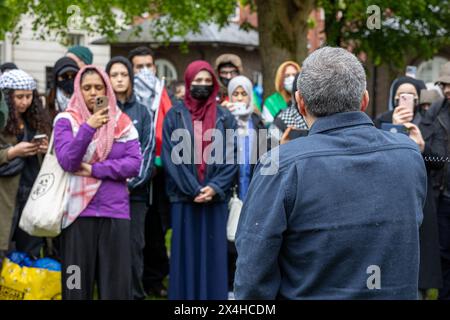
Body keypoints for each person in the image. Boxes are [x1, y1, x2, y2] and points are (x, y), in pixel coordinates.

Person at [234, 47, 427, 300]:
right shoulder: (409, 156)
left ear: (300, 102)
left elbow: (252, 274)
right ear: (364, 100)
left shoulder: (281, 166)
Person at [53, 65, 142, 300]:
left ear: (107, 90)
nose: (93, 93)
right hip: (77, 215)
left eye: (98, 87)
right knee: (75, 286)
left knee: (116, 287)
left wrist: (95, 169)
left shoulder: (122, 123)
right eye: (87, 88)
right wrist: (89, 126)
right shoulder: (66, 121)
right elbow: (69, 161)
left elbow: (134, 164)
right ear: (78, 91)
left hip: (115, 213)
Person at [162, 60, 238, 299]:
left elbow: (232, 155)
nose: (202, 85)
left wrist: (215, 187)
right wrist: (193, 189)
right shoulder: (174, 115)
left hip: (215, 200)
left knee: (214, 258)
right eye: (197, 81)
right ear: (188, 82)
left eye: (207, 81)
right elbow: (170, 157)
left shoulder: (225, 117)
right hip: (184, 199)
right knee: (186, 257)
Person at [106, 56, 155, 300]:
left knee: (133, 248)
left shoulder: (143, 112)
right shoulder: (102, 110)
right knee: (108, 248)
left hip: (134, 196)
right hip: (103, 193)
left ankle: (134, 294)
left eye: (123, 74)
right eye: (114, 75)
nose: (119, 79)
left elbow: (146, 153)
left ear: (130, 78)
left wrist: (129, 184)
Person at [128, 46, 171, 297]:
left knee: (157, 228)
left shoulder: (162, 95)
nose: (145, 71)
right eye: (139, 67)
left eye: (148, 66)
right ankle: (134, 276)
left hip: (159, 173)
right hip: (133, 172)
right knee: (136, 231)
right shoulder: (129, 98)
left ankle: (155, 277)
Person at [0, 69, 52, 258]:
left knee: (30, 248)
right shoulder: (1, 120)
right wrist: (13, 152)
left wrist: (46, 149)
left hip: (32, 192)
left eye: (29, 96)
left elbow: (54, 155)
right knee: (4, 246)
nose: (24, 102)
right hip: (7, 194)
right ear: (6, 97)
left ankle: (25, 286)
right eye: (19, 97)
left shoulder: (37, 120)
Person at [223, 75, 266, 298]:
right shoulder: (223, 121)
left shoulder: (258, 123)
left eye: (243, 94)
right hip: (230, 191)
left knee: (250, 241)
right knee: (229, 239)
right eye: (236, 94)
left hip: (253, 189)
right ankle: (229, 287)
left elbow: (267, 157)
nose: (239, 98)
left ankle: (247, 287)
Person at [420, 61, 450, 300]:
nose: (447, 89)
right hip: (443, 197)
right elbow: (429, 157)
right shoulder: (435, 114)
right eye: (444, 84)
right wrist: (425, 149)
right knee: (444, 255)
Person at [268, 72, 308, 145]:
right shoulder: (281, 121)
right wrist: (282, 147)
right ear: (297, 96)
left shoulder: (325, 118)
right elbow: (265, 153)